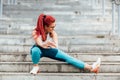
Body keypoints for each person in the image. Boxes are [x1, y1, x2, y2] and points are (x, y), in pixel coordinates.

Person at [30, 13, 101, 74]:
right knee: (35, 50)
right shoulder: (36, 31)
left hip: (48, 49)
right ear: (45, 26)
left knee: (68, 58)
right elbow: (40, 43)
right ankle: (36, 67)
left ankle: (92, 67)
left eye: (54, 26)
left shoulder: (53, 32)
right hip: (38, 49)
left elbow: (56, 47)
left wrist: (52, 44)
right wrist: (45, 43)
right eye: (52, 27)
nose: (53, 28)